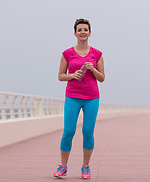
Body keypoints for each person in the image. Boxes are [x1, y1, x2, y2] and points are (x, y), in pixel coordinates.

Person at [53, 18, 105, 179]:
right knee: (68, 131)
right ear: (75, 33)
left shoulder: (97, 54)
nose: (83, 32)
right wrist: (72, 75)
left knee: (88, 132)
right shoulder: (67, 53)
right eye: (79, 30)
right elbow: (60, 76)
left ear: (90, 33)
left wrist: (93, 69)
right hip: (72, 96)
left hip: (91, 97)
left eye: (85, 29)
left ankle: (85, 166)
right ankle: (63, 166)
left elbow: (102, 78)